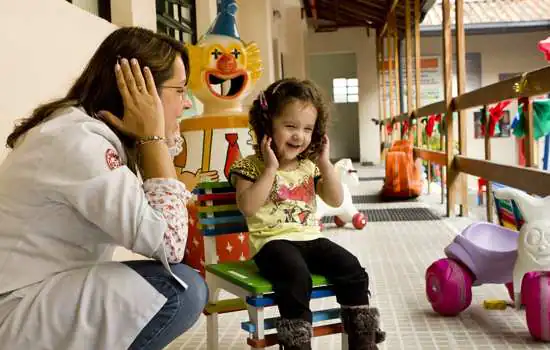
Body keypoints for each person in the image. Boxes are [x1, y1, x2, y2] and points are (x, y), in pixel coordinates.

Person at [0, 27, 207, 350]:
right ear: (141, 92)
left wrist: (157, 139)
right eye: (180, 91)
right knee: (182, 289)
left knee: (178, 279)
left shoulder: (81, 130)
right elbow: (169, 243)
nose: (185, 105)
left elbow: (162, 222)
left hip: (36, 292)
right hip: (15, 307)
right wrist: (153, 137)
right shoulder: (80, 142)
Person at [229, 78, 386, 350]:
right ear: (266, 126)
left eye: (307, 129)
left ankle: (363, 339)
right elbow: (248, 207)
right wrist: (270, 169)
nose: (299, 136)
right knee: (296, 276)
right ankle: (297, 343)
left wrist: (325, 163)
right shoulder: (249, 166)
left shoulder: (309, 166)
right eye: (290, 126)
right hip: (272, 244)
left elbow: (336, 199)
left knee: (352, 268)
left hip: (310, 239)